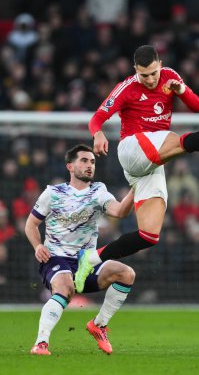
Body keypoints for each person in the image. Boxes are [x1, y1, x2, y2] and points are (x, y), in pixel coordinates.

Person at [74, 44, 199, 293]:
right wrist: (97, 134)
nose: (150, 79)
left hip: (152, 161)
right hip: (132, 148)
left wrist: (181, 89)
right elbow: (96, 118)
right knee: (180, 141)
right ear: (135, 71)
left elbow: (196, 106)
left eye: (153, 73)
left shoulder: (170, 76)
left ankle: (90, 258)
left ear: (160, 64)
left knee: (148, 236)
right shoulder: (127, 87)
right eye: (144, 75)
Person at [25, 144, 135, 356]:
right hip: (56, 258)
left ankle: (99, 325)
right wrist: (38, 245)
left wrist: (134, 190)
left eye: (92, 162)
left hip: (87, 261)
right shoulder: (53, 193)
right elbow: (30, 225)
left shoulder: (98, 191)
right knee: (65, 288)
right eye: (83, 161)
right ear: (70, 166)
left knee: (126, 274)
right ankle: (41, 343)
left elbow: (120, 211)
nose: (89, 166)